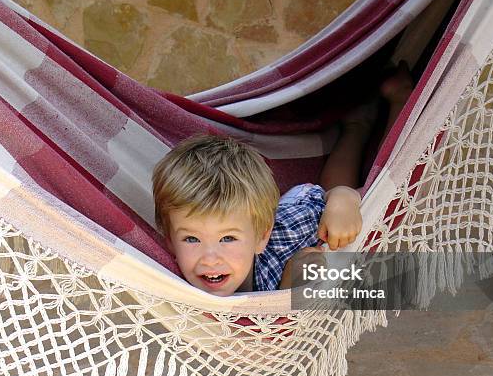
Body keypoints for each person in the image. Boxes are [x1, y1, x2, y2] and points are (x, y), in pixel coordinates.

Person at [152, 64, 413, 297]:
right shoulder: (166, 279)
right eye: (192, 240)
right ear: (170, 242)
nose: (210, 259)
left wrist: (344, 199)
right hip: (256, 215)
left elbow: (326, 220)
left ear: (260, 239)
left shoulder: (288, 234)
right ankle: (357, 127)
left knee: (367, 204)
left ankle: (399, 100)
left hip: (302, 219)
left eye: (228, 238)